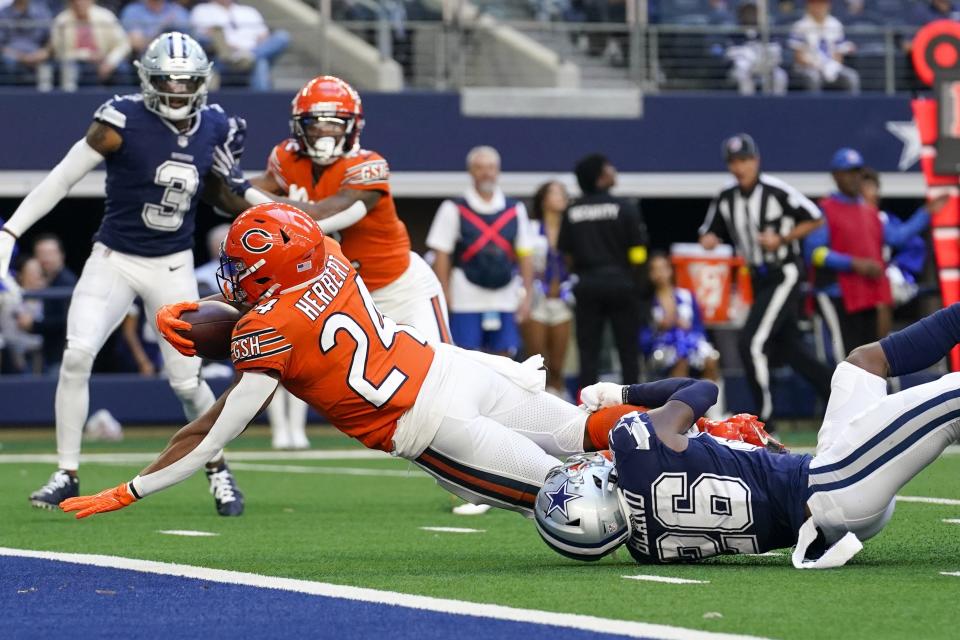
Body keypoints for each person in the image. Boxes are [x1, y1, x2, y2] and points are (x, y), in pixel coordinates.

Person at [60, 203, 596, 520]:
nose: (234, 277)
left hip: (433, 426)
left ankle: (668, 524)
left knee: (569, 503)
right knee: (586, 428)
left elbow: (211, 433)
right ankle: (670, 438)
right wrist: (216, 312)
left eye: (244, 267)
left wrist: (133, 488)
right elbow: (288, 298)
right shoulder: (333, 257)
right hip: (458, 368)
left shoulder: (268, 330)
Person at [0, 32, 250, 515]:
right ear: (147, 80)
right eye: (167, 83)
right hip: (114, 258)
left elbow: (226, 191)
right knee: (76, 357)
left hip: (173, 265)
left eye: (187, 84)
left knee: (184, 382)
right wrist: (11, 231)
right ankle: (65, 472)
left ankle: (217, 468)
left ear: (202, 83)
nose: (178, 93)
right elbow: (62, 177)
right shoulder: (121, 119)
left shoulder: (216, 125)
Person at [536, 301, 960, 568]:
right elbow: (702, 390)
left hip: (825, 508)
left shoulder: (645, 550)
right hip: (835, 483)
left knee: (861, 364)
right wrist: (624, 393)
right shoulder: (633, 445)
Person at [193, 75, 451, 348]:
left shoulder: (368, 166)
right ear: (298, 126)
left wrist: (240, 185)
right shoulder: (287, 157)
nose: (323, 132)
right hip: (337, 296)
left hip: (396, 291)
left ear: (353, 126)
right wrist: (209, 172)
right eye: (314, 123)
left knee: (436, 369)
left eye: (333, 123)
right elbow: (239, 204)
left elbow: (319, 217)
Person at [699, 133, 831, 426]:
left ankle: (765, 422)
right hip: (757, 279)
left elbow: (815, 217)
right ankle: (837, 395)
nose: (739, 167)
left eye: (744, 160)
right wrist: (709, 239)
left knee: (751, 343)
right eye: (733, 162)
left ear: (756, 160)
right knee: (791, 349)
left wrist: (782, 237)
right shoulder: (726, 196)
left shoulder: (775, 190)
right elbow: (710, 229)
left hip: (784, 272)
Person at [427, 145, 533, 356]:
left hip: (505, 295)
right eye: (480, 168)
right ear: (471, 172)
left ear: (498, 171)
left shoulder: (515, 209)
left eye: (491, 168)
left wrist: (527, 295)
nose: (486, 173)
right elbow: (442, 253)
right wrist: (444, 294)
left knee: (505, 355)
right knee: (466, 354)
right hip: (466, 296)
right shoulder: (453, 208)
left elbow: (525, 253)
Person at [559, 153, 648, 395]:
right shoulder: (625, 207)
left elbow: (566, 254)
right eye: (608, 168)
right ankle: (635, 405)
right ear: (599, 178)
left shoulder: (572, 211)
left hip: (587, 285)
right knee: (628, 351)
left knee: (588, 353)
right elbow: (638, 252)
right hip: (621, 284)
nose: (613, 171)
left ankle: (587, 412)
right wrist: (635, 282)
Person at [804, 148, 891, 360]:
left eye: (857, 172)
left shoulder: (868, 210)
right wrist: (854, 263)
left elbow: (896, 236)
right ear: (836, 176)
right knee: (845, 360)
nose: (854, 178)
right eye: (848, 172)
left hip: (864, 294)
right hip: (835, 293)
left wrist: (927, 213)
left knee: (870, 358)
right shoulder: (825, 208)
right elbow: (814, 253)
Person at [642, 253, 722, 416]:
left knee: (711, 359)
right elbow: (643, 338)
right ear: (649, 275)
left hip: (691, 341)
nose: (660, 273)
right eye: (655, 270)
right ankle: (680, 416)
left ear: (670, 270)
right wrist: (659, 328)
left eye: (663, 268)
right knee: (680, 359)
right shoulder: (647, 302)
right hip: (661, 345)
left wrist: (688, 329)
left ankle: (712, 414)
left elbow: (700, 328)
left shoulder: (687, 296)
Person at [861, 168, 938, 338]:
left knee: (883, 300)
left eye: (873, 188)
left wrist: (898, 273)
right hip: (847, 280)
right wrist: (925, 213)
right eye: (866, 189)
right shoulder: (839, 214)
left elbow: (905, 240)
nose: (872, 194)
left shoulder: (881, 218)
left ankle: (878, 355)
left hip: (875, 281)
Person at [522, 181, 573, 398]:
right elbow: (523, 260)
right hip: (537, 296)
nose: (560, 197)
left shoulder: (573, 229)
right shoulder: (531, 228)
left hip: (564, 296)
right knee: (538, 361)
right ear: (543, 199)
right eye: (554, 193)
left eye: (563, 193)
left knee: (559, 364)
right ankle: (537, 403)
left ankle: (560, 399)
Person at [189, 0, 289, 91]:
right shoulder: (202, 10)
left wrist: (250, 51)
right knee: (260, 62)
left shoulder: (249, 11)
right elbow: (207, 36)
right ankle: (250, 58)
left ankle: (250, 56)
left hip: (252, 51)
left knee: (282, 36)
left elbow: (264, 35)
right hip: (223, 58)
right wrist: (233, 48)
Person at [22, 234, 77, 371]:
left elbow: (67, 321)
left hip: (62, 357)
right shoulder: (46, 281)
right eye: (41, 254)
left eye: (50, 253)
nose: (46, 259)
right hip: (46, 355)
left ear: (61, 255)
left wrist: (33, 325)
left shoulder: (67, 282)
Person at [50, 0, 132, 90]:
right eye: (75, 1)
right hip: (78, 62)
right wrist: (86, 55)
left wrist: (109, 62)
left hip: (105, 59)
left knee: (122, 69)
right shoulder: (61, 21)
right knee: (76, 69)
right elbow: (61, 53)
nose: (79, 3)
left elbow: (123, 45)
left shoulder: (106, 16)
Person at [789, 0, 860, 94]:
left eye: (822, 4)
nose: (819, 7)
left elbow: (839, 53)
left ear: (828, 5)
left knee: (851, 76)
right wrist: (816, 65)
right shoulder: (800, 26)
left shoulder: (835, 24)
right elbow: (798, 56)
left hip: (830, 66)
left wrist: (831, 66)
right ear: (809, 6)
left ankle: (852, 107)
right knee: (814, 77)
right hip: (808, 67)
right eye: (815, 4)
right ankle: (815, 108)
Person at [724, 0, 787, 96]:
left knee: (780, 75)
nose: (750, 15)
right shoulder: (735, 33)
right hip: (743, 68)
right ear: (741, 13)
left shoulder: (767, 32)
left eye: (753, 11)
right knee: (742, 72)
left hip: (765, 65)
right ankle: (747, 104)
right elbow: (731, 54)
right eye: (747, 11)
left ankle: (776, 105)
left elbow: (776, 51)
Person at [0, 0, 53, 88]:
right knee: (7, 61)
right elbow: (1, 46)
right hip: (13, 57)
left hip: (37, 56)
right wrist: (21, 57)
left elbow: (51, 40)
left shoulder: (42, 12)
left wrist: (44, 53)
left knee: (50, 65)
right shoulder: (3, 14)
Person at [120, 0, 191, 56]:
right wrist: (162, 28)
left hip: (178, 58)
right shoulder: (133, 10)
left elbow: (190, 41)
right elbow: (137, 45)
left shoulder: (177, 10)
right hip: (146, 59)